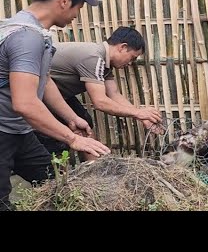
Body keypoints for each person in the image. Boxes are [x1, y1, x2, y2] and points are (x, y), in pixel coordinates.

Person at [0, 0, 111, 211]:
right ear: (65, 1)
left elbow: (45, 80)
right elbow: (25, 103)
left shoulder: (38, 33)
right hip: (2, 131)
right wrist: (72, 139)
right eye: (79, 8)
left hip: (19, 131)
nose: (76, 16)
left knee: (57, 186)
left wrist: (71, 118)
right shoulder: (25, 37)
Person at [35, 26, 162, 159]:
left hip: (56, 93)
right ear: (123, 47)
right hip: (36, 94)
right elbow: (100, 102)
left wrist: (143, 118)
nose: (130, 63)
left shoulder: (104, 62)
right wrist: (138, 112)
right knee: (52, 143)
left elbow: (114, 94)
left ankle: (94, 172)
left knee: (84, 124)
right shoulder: (93, 57)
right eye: (132, 58)